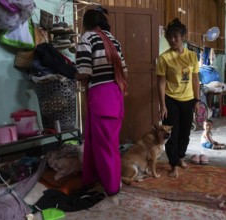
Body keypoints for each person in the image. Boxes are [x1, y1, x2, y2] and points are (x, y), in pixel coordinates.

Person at [75, 6, 128, 211]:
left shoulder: (87, 37)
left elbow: (84, 73)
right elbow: (124, 71)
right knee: (103, 143)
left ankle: (112, 193)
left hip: (101, 97)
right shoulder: (113, 40)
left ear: (86, 23)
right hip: (116, 95)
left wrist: (71, 71)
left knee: (104, 147)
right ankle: (100, 179)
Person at [156, 18, 200, 178]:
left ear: (183, 37)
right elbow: (160, 83)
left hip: (188, 100)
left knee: (185, 133)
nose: (172, 40)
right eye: (169, 37)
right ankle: (173, 164)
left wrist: (197, 100)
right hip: (170, 99)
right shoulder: (163, 58)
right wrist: (163, 105)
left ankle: (181, 157)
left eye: (176, 36)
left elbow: (195, 79)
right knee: (171, 134)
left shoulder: (192, 56)